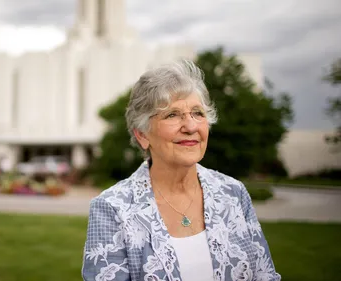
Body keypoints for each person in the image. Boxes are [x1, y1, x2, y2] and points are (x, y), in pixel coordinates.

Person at [81, 60, 280, 281]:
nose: (191, 126)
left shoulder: (234, 193)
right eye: (172, 115)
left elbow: (265, 276)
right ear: (142, 135)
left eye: (198, 113)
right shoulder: (111, 208)